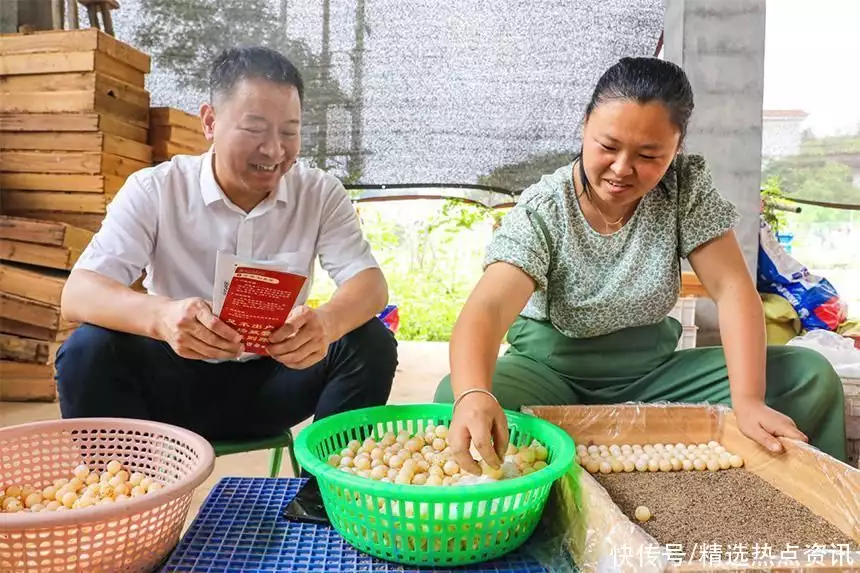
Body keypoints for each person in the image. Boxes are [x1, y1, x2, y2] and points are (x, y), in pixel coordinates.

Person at [435, 57, 847, 473]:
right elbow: (487, 308)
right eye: (607, 147)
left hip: (654, 374)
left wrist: (748, 400)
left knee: (808, 376)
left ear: (676, 147)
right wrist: (473, 394)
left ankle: (828, 508)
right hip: (551, 374)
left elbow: (732, 289)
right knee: (457, 394)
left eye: (649, 155)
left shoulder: (683, 188)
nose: (621, 169)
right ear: (584, 127)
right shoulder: (546, 208)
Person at [56, 46, 398, 442]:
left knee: (369, 343)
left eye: (289, 131)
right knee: (86, 350)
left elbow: (370, 284)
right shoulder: (156, 189)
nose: (274, 150)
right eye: (254, 129)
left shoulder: (319, 193)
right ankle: (123, 493)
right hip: (172, 382)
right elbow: (78, 294)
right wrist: (162, 317)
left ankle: (319, 499)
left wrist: (326, 323)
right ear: (210, 122)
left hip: (276, 383)